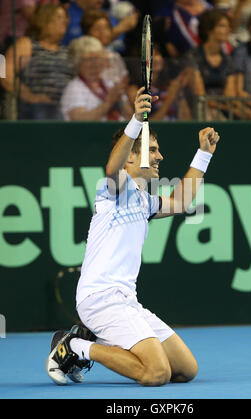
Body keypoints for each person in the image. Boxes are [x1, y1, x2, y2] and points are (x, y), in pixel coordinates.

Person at [46, 86, 220, 387]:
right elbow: (112, 165)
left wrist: (203, 154)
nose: (160, 156)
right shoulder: (112, 190)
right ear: (131, 159)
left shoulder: (143, 200)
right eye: (152, 150)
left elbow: (181, 202)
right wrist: (136, 121)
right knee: (157, 374)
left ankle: (91, 340)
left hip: (127, 301)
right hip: (100, 300)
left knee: (185, 370)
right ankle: (74, 346)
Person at [1, 3, 73, 120]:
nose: (64, 21)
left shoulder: (68, 50)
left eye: (65, 18)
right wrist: (31, 97)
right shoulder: (27, 44)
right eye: (59, 17)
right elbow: (5, 75)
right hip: (35, 107)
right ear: (44, 20)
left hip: (67, 106)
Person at [186, 9, 251, 120]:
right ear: (209, 30)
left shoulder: (228, 60)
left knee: (248, 115)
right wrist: (230, 109)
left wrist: (240, 109)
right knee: (210, 115)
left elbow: (229, 96)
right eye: (223, 26)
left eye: (228, 26)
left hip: (223, 108)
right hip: (200, 109)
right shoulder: (193, 57)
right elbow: (200, 96)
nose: (229, 30)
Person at [60, 36, 132, 120]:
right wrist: (108, 103)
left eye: (98, 58)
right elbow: (79, 121)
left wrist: (119, 101)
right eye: (89, 59)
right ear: (78, 62)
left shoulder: (109, 83)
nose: (95, 63)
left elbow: (130, 117)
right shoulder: (74, 88)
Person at [128, 45, 193, 120]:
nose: (157, 59)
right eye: (151, 56)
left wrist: (179, 93)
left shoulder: (169, 86)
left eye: (158, 54)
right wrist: (170, 98)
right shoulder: (136, 91)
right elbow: (146, 125)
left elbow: (186, 120)